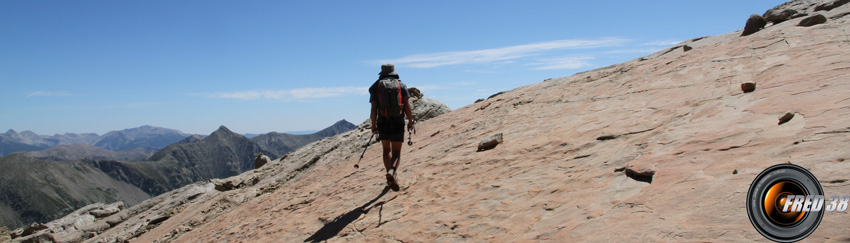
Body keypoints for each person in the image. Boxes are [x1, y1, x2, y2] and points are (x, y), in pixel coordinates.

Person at [369, 63, 414, 191]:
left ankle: (390, 173)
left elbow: (373, 109)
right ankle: (392, 171)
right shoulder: (401, 85)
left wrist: (374, 125)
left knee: (386, 150)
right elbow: (407, 105)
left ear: (382, 73)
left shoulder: (375, 87)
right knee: (396, 152)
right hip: (398, 120)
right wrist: (410, 121)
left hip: (383, 121)